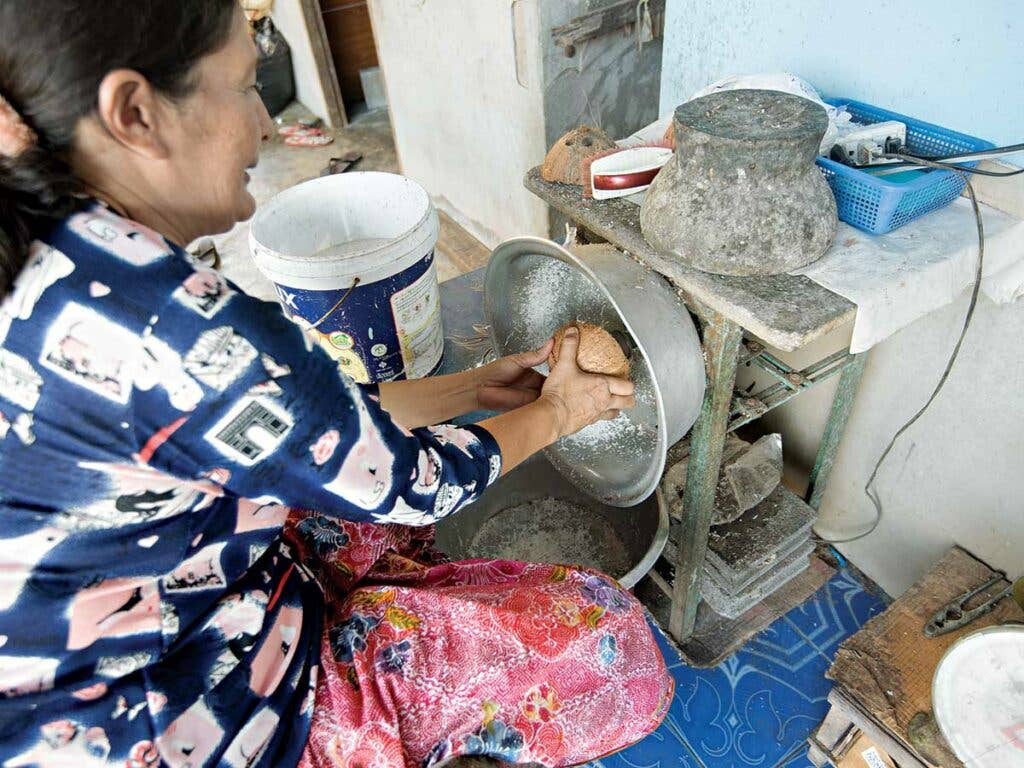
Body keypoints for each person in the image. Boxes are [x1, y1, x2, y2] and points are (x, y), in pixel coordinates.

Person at [0, 3, 672, 767]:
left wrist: (474, 388)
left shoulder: (58, 252)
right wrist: (560, 411)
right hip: (169, 716)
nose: (264, 123)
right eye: (245, 86)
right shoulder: (177, 330)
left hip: (158, 611)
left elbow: (305, 425)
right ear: (136, 113)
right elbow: (419, 483)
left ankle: (384, 626)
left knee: (378, 499)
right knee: (608, 642)